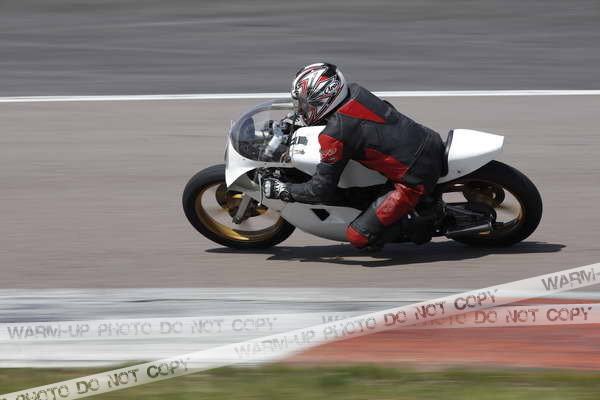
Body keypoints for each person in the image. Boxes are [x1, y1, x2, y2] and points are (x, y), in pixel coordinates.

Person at [262, 62, 445, 250]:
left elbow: (319, 190)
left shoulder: (336, 134)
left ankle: (427, 219)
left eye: (305, 104)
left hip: (414, 176)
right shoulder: (355, 91)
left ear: (323, 99)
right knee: (353, 194)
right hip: (427, 138)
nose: (301, 109)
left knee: (358, 237)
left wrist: (284, 190)